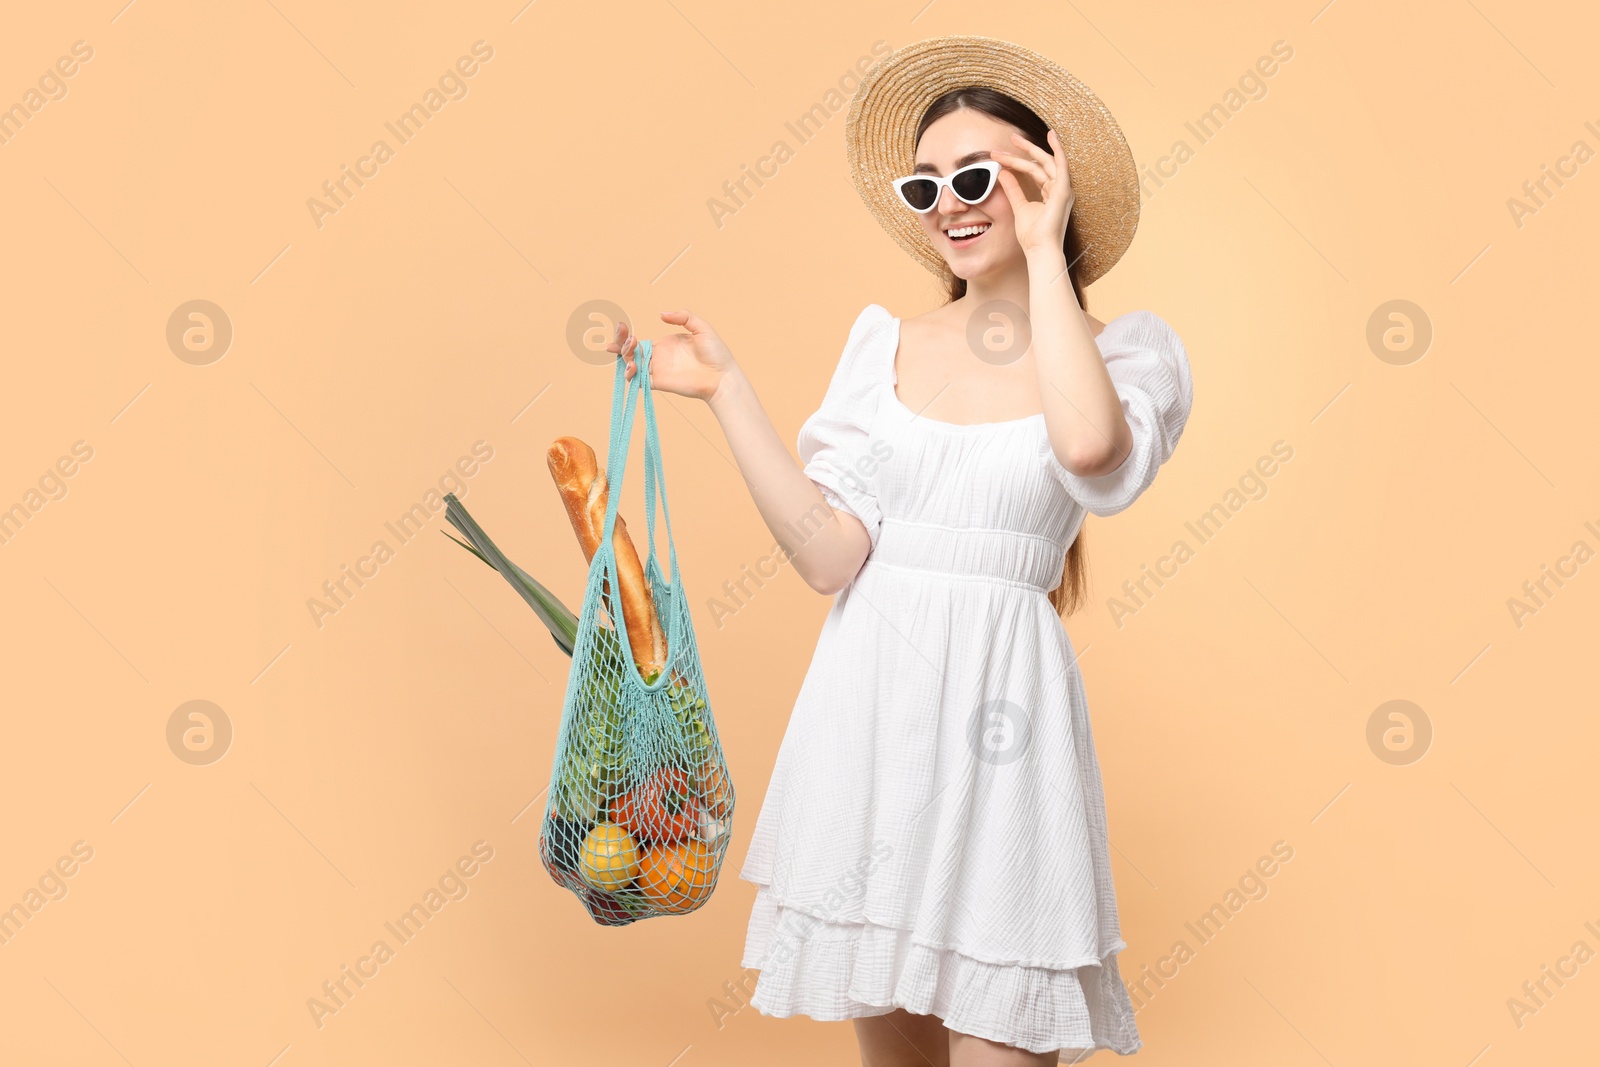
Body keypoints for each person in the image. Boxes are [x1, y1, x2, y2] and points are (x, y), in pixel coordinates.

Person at [607, 34, 1193, 1066]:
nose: (949, 205)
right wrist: (726, 392)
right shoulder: (886, 344)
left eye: (977, 178)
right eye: (927, 187)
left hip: (1008, 735)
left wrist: (1048, 254)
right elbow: (831, 556)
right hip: (869, 720)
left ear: (1045, 180)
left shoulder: (1124, 353)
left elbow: (1093, 451)